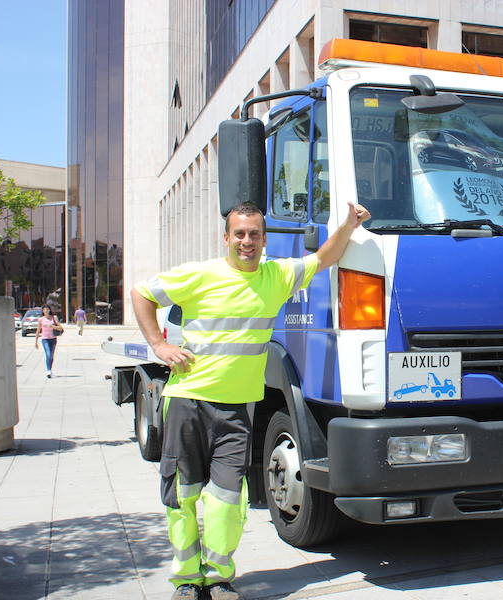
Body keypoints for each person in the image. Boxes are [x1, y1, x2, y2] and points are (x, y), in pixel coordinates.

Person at [131, 201, 370, 600]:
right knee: (183, 496)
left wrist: (348, 223)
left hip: (238, 409)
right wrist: (158, 344)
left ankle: (220, 577)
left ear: (264, 239)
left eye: (254, 234)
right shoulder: (200, 275)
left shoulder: (277, 275)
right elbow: (142, 293)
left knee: (227, 499)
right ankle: (188, 580)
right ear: (226, 238)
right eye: (239, 234)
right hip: (188, 400)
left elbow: (325, 257)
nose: (247, 241)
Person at [34, 305, 63, 378]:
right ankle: (48, 370)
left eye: (47, 309)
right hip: (45, 339)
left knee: (51, 356)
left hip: (53, 339)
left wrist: (53, 326)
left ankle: (50, 369)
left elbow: (60, 328)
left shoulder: (54, 318)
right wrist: (36, 342)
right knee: (48, 354)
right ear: (43, 311)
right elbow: (38, 331)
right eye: (44, 310)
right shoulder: (41, 319)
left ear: (49, 310)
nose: (46, 311)